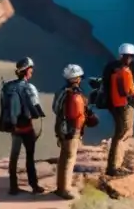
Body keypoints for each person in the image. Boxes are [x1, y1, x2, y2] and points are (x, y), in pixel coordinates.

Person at [52, 64, 97, 200]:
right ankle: (64, 190)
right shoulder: (74, 94)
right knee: (69, 159)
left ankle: (60, 187)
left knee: (64, 157)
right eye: (79, 77)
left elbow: (55, 109)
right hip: (72, 131)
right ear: (76, 78)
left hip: (62, 128)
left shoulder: (61, 92)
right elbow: (76, 115)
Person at [105, 43, 134, 177]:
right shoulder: (123, 71)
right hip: (123, 106)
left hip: (114, 104)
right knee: (123, 133)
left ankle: (114, 165)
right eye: (130, 56)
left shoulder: (112, 68)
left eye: (131, 56)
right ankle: (113, 167)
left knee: (121, 133)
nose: (131, 59)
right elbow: (125, 92)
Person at [8, 57, 46, 196]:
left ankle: (13, 187)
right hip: (27, 129)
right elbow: (36, 110)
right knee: (30, 157)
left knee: (14, 157)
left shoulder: (9, 87)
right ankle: (34, 186)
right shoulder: (30, 88)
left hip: (14, 129)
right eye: (31, 69)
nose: (32, 71)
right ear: (26, 71)